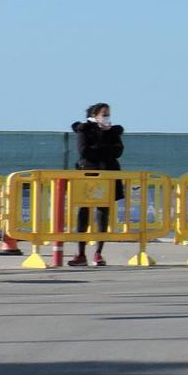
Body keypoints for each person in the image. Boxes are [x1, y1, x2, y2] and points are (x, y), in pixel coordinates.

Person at [67, 102, 124, 266]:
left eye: (108, 114)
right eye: (104, 114)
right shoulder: (84, 129)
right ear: (95, 115)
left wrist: (103, 145)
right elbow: (84, 151)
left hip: (109, 173)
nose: (107, 117)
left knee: (103, 211)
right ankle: (81, 253)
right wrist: (105, 148)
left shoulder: (114, 131)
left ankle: (98, 253)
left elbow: (118, 151)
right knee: (83, 211)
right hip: (88, 174)